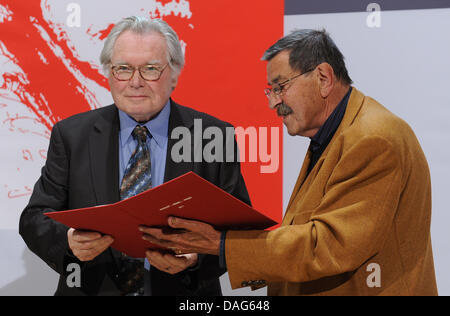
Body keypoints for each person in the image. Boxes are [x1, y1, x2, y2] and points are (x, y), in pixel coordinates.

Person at [139, 29, 438, 296]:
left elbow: (327, 247)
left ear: (323, 78)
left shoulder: (374, 138)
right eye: (271, 91)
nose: (273, 103)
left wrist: (221, 244)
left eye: (280, 87)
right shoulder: (336, 134)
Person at [19, 16, 250, 296]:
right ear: (108, 72)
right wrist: (69, 240)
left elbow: (240, 232)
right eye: (124, 69)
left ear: (174, 73)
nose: (136, 82)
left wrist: (195, 257)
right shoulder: (71, 135)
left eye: (151, 69)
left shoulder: (212, 135)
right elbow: (35, 219)